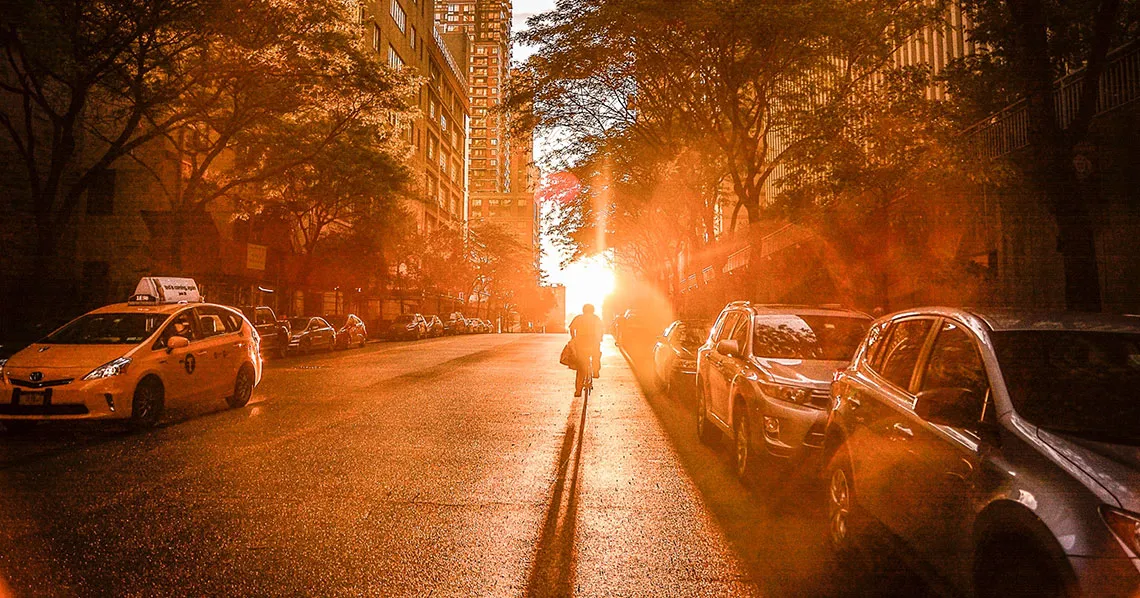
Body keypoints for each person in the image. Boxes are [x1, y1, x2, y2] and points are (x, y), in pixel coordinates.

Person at [568, 304, 603, 397]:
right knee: (596, 355)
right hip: (593, 342)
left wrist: (573, 338)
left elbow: (571, 329)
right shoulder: (596, 318)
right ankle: (595, 371)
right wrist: (600, 338)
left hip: (581, 343)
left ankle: (578, 391)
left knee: (581, 367)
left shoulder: (578, 318)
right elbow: (601, 329)